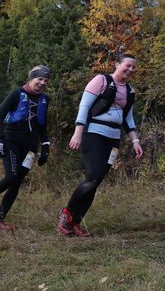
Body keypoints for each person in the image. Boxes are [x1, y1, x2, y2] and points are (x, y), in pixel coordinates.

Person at [57, 53, 143, 237]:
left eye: (134, 67)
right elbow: (84, 106)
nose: (130, 69)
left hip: (113, 139)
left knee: (96, 182)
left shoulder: (130, 91)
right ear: (117, 64)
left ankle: (75, 222)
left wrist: (135, 140)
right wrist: (78, 133)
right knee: (93, 176)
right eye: (127, 65)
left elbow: (128, 118)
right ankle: (66, 214)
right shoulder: (101, 80)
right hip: (93, 133)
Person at [0, 66, 53, 231]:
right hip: (12, 140)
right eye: (40, 79)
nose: (42, 83)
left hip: (30, 145)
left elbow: (43, 126)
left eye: (45, 81)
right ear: (31, 78)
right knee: (11, 176)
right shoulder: (16, 94)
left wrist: (45, 147)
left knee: (17, 182)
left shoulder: (44, 99)